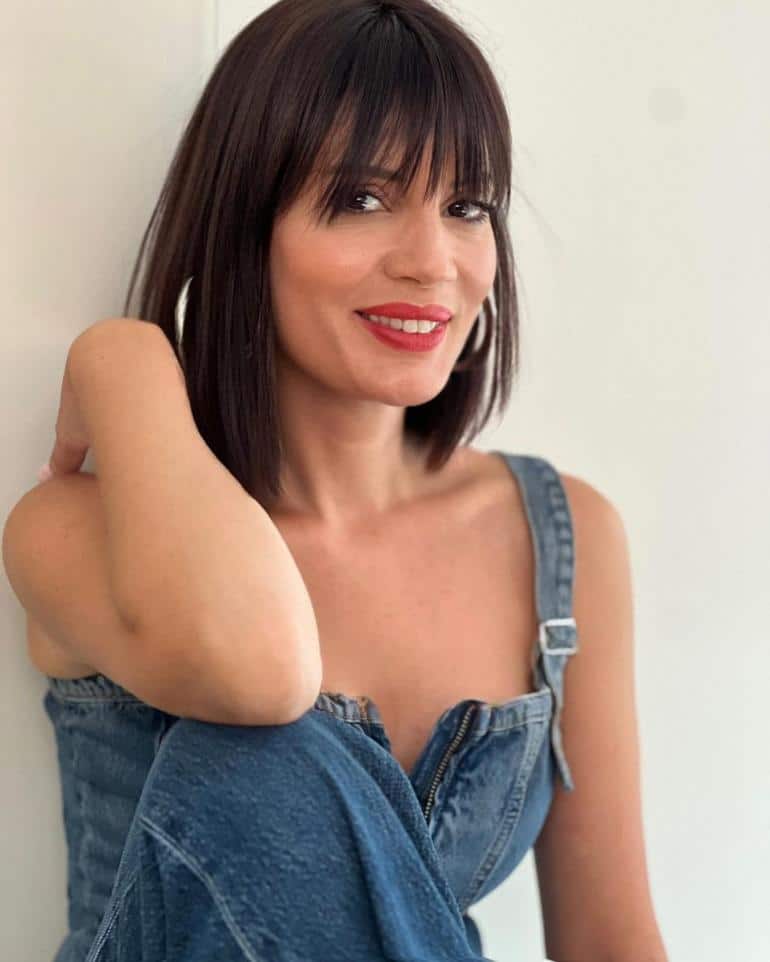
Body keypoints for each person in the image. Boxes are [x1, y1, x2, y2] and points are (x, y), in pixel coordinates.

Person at [7, 1, 669, 959]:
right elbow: (260, 677)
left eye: (466, 206)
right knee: (264, 753)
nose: (431, 262)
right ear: (245, 229)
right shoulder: (72, 530)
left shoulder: (562, 536)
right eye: (362, 199)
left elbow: (611, 942)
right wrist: (125, 360)